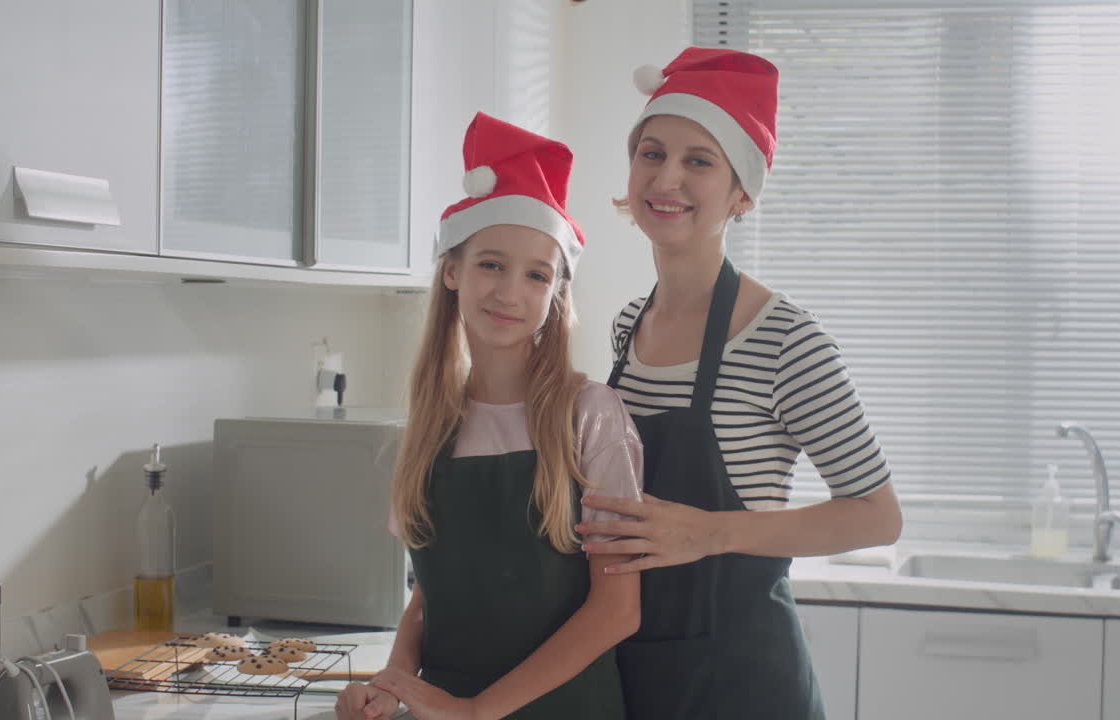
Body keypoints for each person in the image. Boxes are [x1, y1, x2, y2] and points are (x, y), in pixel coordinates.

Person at [574, 47, 904, 719]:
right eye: (652, 153)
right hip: (636, 674)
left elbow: (878, 515)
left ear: (741, 192)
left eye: (700, 161)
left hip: (744, 684)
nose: (667, 178)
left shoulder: (785, 339)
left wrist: (709, 533)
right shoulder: (626, 329)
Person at [335, 112, 642, 720]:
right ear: (453, 271)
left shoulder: (592, 417)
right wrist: (390, 684)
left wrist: (478, 710)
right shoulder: (430, 427)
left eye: (537, 275)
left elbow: (617, 610)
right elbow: (432, 595)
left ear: (555, 294)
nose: (510, 293)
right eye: (491, 264)